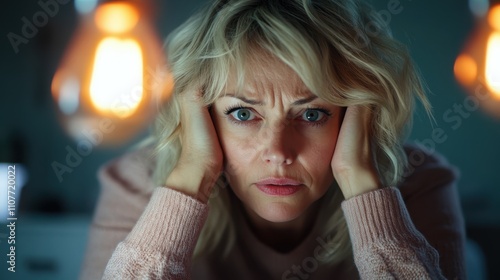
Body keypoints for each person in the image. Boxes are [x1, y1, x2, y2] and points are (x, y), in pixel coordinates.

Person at [80, 0, 466, 279]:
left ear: (357, 115)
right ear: (200, 115)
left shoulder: (419, 183)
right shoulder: (134, 184)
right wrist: (191, 178)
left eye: (312, 114)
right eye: (243, 114)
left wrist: (364, 185)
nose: (279, 152)